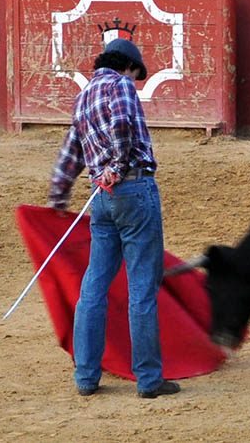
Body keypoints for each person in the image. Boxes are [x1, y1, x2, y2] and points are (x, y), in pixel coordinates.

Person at [47, 38, 180, 399]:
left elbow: (71, 153)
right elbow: (122, 124)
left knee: (93, 289)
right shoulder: (120, 84)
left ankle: (86, 378)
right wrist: (118, 167)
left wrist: (59, 196)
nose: (134, 82)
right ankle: (149, 380)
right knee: (142, 290)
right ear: (128, 67)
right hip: (133, 190)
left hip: (101, 202)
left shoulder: (84, 95)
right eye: (136, 75)